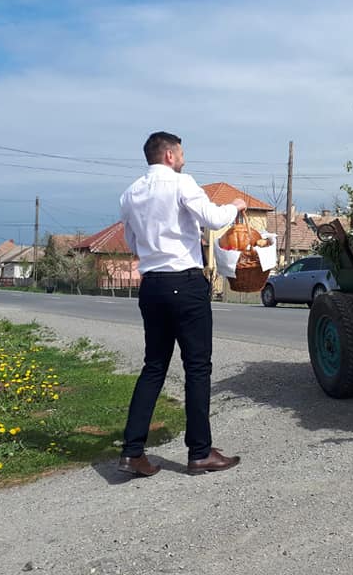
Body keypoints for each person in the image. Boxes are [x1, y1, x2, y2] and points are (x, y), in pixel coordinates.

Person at [118, 131, 247, 477]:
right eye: (182, 152)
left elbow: (132, 241)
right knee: (197, 367)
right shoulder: (181, 183)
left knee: (154, 367)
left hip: (152, 285)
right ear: (170, 156)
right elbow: (215, 219)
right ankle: (199, 453)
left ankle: (132, 452)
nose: (184, 157)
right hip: (185, 283)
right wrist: (235, 206)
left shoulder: (129, 194)